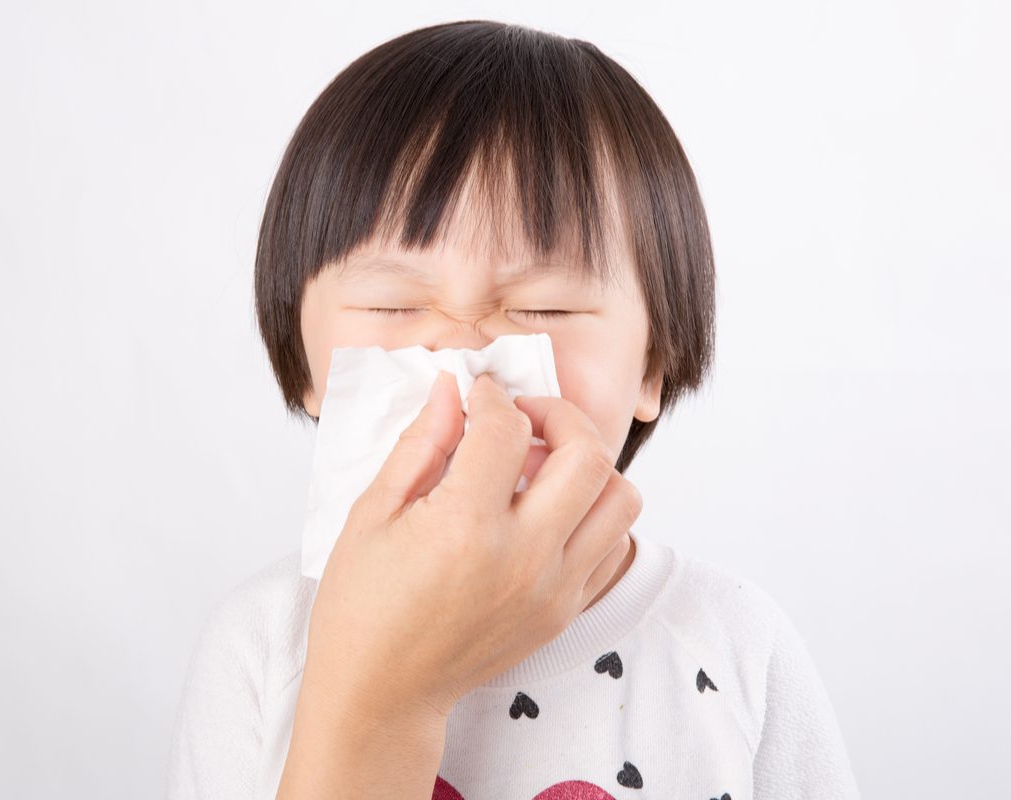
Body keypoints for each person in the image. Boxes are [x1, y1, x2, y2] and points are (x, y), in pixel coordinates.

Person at [166, 20, 861, 800]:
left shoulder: (733, 642)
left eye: (543, 309)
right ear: (306, 368)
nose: (463, 355)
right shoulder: (261, 645)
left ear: (652, 368)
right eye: (394, 304)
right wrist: (383, 697)